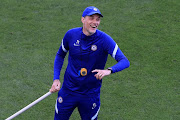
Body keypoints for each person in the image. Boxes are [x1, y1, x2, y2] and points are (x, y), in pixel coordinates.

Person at [50, 6, 130, 120]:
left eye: (97, 19)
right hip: (68, 92)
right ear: (83, 19)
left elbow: (124, 61)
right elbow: (60, 55)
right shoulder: (71, 35)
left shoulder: (104, 40)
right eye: (91, 18)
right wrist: (56, 79)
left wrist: (108, 70)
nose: (95, 22)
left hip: (90, 95)